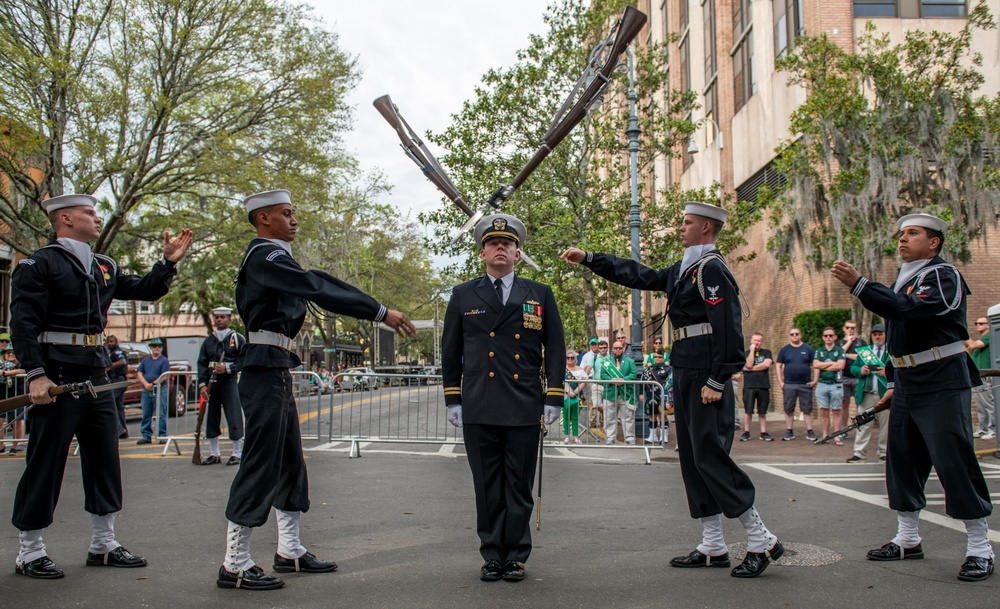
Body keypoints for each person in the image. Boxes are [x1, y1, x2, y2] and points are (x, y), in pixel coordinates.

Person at [562, 201, 783, 579]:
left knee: (711, 456)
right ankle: (713, 544)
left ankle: (761, 539)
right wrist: (590, 258)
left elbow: (729, 329)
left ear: (707, 229)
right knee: (694, 459)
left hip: (704, 376)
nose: (681, 228)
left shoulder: (712, 268)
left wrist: (718, 379)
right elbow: (638, 275)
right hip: (686, 370)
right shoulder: (687, 268)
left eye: (688, 222)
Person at [219, 189, 416, 591]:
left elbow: (309, 286)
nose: (294, 220)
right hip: (261, 366)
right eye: (286, 214)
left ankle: (289, 549)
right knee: (260, 463)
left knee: (290, 460)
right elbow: (315, 285)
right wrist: (378, 311)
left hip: (276, 366)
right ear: (263, 219)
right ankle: (234, 563)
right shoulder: (265, 256)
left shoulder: (275, 258)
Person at [9, 193, 191, 579]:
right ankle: (30, 549)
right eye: (89, 213)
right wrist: (35, 374)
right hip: (57, 370)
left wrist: (167, 263)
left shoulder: (103, 265)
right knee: (46, 459)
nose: (96, 218)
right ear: (65, 219)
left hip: (97, 371)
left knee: (105, 456)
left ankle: (103, 542)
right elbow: (23, 324)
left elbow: (145, 289)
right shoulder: (39, 264)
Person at [832, 212, 994, 582]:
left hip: (940, 376)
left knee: (953, 459)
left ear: (934, 242)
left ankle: (980, 547)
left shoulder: (942, 274)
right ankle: (907, 538)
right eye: (901, 233)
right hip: (906, 378)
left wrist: (860, 285)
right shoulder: (902, 280)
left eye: (913, 233)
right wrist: (891, 382)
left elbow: (911, 311)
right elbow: (896, 337)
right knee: (902, 460)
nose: (902, 239)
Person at [443, 213, 565, 583]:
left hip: (524, 402)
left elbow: (555, 348)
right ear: (482, 254)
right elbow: (451, 350)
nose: (500, 248)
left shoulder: (539, 293)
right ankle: (492, 554)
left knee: (518, 485)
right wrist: (453, 398)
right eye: (493, 244)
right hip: (479, 402)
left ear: (517, 253)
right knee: (487, 484)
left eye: (507, 244)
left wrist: (554, 397)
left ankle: (515, 555)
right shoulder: (464, 294)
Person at [197, 306, 247, 466]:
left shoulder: (237, 338)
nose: (219, 320)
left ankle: (236, 453)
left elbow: (244, 360)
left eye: (223, 317)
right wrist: (203, 385)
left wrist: (228, 368)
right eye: (217, 317)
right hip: (213, 384)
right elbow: (202, 363)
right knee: (211, 417)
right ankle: (214, 453)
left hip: (229, 382)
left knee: (233, 416)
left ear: (229, 319)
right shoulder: (209, 341)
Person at [847, 324, 890, 463]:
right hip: (867, 393)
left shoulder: (891, 351)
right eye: (875, 334)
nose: (877, 336)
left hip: (884, 394)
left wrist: (887, 372)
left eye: (880, 334)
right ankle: (859, 453)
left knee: (886, 425)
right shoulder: (865, 352)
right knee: (863, 424)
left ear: (885, 334)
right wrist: (860, 370)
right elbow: (853, 367)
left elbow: (898, 368)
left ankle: (883, 452)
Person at [776, 328, 817, 441]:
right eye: (792, 334)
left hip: (805, 384)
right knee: (788, 409)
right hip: (789, 384)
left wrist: (815, 380)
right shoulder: (784, 350)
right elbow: (778, 366)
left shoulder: (808, 349)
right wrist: (781, 382)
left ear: (801, 335)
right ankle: (789, 431)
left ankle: (810, 431)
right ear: (789, 336)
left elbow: (816, 364)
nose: (794, 336)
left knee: (807, 409)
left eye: (797, 334)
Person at [813, 327, 847, 445]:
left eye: (831, 336)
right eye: (826, 336)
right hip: (822, 384)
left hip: (836, 385)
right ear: (823, 337)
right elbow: (815, 364)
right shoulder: (819, 351)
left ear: (835, 337)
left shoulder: (840, 351)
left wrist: (824, 365)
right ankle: (825, 435)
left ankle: (836, 436)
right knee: (823, 411)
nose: (828, 338)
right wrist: (832, 363)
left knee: (837, 411)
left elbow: (841, 366)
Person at [600, 340, 637, 445]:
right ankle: (610, 437)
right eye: (616, 348)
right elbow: (603, 375)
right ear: (612, 349)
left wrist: (623, 380)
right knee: (609, 417)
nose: (618, 350)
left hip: (625, 393)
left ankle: (629, 437)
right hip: (610, 393)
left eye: (620, 348)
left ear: (623, 349)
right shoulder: (606, 362)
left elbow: (633, 374)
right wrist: (612, 380)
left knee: (628, 417)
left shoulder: (630, 361)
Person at [136, 338, 170, 444]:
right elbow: (139, 373)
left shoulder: (164, 360)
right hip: (146, 391)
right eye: (154, 346)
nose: (157, 348)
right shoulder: (146, 360)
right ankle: (146, 436)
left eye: (159, 346)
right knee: (146, 414)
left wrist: (154, 383)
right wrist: (146, 384)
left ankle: (162, 435)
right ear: (151, 347)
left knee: (161, 414)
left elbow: (165, 375)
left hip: (160, 390)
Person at [740, 332, 774, 442]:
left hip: (763, 385)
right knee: (748, 410)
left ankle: (763, 432)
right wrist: (752, 351)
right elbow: (748, 364)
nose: (757, 343)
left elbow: (766, 364)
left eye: (759, 341)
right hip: (749, 386)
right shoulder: (745, 354)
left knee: (762, 411)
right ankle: (746, 432)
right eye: (755, 340)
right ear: (751, 341)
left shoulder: (767, 352)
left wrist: (750, 369)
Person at [967, 316, 996, 440]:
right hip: (978, 376)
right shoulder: (982, 338)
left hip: (986, 376)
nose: (978, 325)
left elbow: (973, 345)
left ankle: (993, 430)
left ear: (988, 325)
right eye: (976, 323)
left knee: (988, 403)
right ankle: (982, 429)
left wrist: (962, 334)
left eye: (981, 323)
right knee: (980, 405)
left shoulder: (989, 337)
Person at [837, 320, 866, 439]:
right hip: (844, 377)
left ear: (856, 329)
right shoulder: (840, 342)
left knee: (860, 403)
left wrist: (847, 355)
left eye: (852, 328)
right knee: (844, 403)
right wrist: (848, 342)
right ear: (844, 328)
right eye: (848, 327)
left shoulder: (861, 342)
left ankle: (861, 428)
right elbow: (838, 354)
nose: (850, 330)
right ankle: (843, 429)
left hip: (858, 378)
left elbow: (863, 356)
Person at [640, 351, 670, 443]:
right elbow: (643, 382)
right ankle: (652, 436)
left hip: (662, 396)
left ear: (663, 358)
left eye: (660, 357)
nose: (657, 358)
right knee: (652, 416)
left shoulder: (668, 369)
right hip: (650, 395)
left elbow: (670, 383)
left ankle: (663, 437)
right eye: (656, 357)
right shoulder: (648, 369)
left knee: (662, 416)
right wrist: (641, 393)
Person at [1, 345, 26, 454]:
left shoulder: (21, 364)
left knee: (17, 421)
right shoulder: (2, 364)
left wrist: (4, 373)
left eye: (13, 352)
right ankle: (1, 446)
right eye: (8, 353)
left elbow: (22, 371)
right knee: (0, 422)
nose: (11, 355)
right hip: (2, 397)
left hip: (18, 397)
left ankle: (15, 447)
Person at [104, 336, 129, 439]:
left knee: (108, 402)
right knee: (119, 407)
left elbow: (122, 362)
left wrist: (110, 366)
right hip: (114, 381)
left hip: (119, 381)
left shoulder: (117, 352)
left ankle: (118, 429)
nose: (110, 343)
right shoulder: (109, 353)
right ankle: (123, 431)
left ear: (116, 342)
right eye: (108, 342)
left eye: (112, 342)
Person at [563, 350, 587, 444]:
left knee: (575, 417)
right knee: (565, 417)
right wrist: (568, 392)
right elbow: (559, 382)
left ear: (575, 359)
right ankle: (566, 436)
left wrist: (576, 391)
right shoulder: (561, 369)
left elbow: (584, 382)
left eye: (572, 358)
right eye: (568, 357)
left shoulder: (580, 369)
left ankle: (576, 436)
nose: (570, 359)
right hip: (565, 396)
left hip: (577, 397)